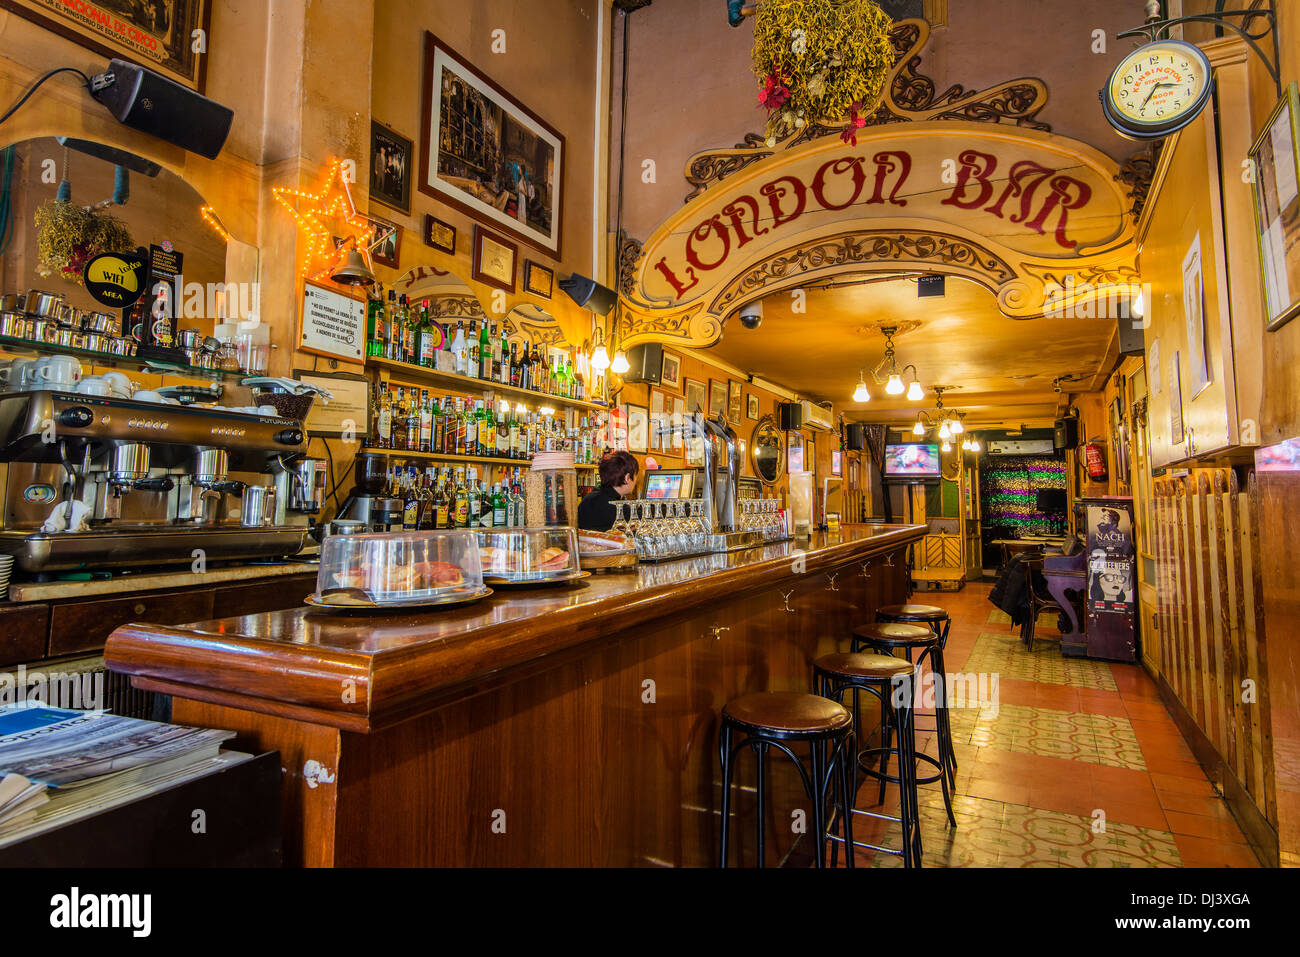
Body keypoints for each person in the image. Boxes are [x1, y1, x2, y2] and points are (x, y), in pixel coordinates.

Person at [578, 450, 639, 532]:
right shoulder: (617, 508)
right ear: (627, 478)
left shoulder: (589, 498)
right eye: (636, 476)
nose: (636, 481)